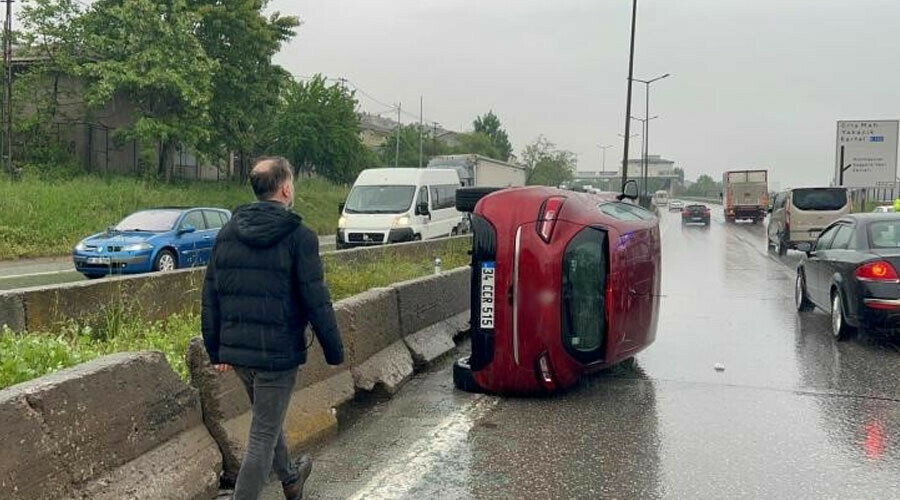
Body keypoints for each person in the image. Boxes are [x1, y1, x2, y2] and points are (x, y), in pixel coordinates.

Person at [202, 156, 344, 500]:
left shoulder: (227, 232)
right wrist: (334, 349)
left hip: (240, 355)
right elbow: (316, 298)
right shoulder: (300, 236)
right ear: (285, 188)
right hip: (277, 355)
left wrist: (215, 349)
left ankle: (291, 480)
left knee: (268, 419)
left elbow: (210, 293)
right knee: (262, 434)